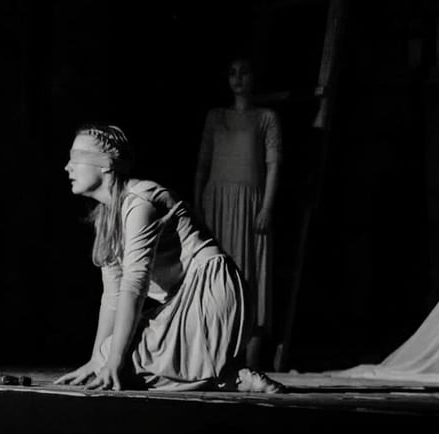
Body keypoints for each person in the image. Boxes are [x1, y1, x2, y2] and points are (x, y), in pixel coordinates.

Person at [54, 124, 284, 392]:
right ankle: (222, 376)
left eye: (76, 158)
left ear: (106, 165)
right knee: (108, 355)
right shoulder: (106, 218)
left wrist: (113, 360)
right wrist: (97, 359)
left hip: (211, 296)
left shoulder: (141, 201)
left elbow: (134, 286)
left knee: (120, 362)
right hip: (180, 303)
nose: (67, 167)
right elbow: (113, 296)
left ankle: (227, 377)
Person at [193, 57, 282, 370]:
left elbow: (273, 166)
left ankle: (251, 360)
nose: (238, 78)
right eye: (232, 72)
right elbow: (203, 163)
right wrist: (198, 203)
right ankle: (215, 355)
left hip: (250, 205)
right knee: (217, 276)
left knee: (252, 275)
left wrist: (267, 207)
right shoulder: (216, 116)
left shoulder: (265, 119)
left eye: (244, 71)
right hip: (218, 203)